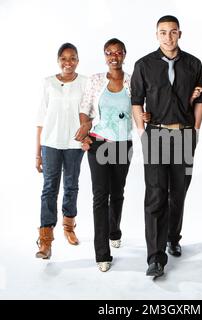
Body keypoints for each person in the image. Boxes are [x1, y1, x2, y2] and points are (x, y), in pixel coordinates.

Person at [131, 15, 202, 278]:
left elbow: (201, 98)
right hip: (156, 135)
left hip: (184, 135)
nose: (168, 37)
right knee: (155, 194)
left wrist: (194, 129)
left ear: (180, 34)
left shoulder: (194, 64)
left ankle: (173, 236)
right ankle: (155, 257)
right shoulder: (143, 65)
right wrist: (143, 132)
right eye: (163, 32)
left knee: (179, 192)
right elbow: (137, 101)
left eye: (173, 32)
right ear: (156, 35)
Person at [75, 38, 150, 272]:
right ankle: (102, 254)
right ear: (104, 56)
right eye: (109, 53)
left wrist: (145, 118)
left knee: (117, 193)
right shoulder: (96, 80)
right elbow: (84, 110)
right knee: (100, 196)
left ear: (124, 54)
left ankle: (114, 230)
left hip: (122, 145)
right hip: (99, 144)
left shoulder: (133, 81)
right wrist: (86, 135)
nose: (113, 56)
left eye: (118, 52)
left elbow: (139, 110)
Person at [35, 43, 87, 259]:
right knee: (49, 188)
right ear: (58, 60)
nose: (68, 62)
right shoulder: (48, 83)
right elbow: (40, 119)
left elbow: (90, 113)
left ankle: (69, 226)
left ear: (77, 60)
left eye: (73, 58)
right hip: (50, 143)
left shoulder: (84, 83)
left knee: (71, 185)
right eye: (64, 58)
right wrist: (37, 152)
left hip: (75, 144)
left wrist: (87, 137)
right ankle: (45, 238)